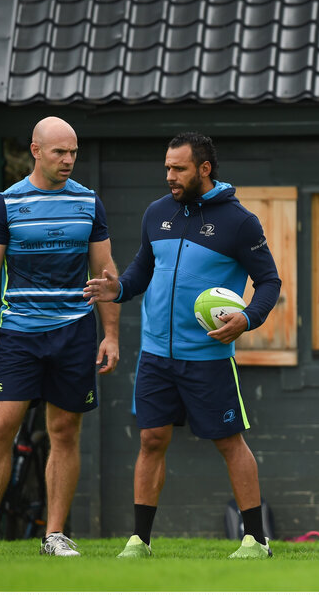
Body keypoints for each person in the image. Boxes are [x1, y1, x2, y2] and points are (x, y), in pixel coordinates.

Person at [83, 132, 280, 559]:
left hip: (208, 358)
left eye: (179, 168)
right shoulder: (157, 213)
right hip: (156, 355)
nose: (170, 176)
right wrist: (117, 289)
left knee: (230, 441)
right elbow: (141, 270)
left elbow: (269, 282)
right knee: (151, 439)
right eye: (167, 167)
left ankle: (256, 540)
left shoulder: (239, 222)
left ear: (204, 169)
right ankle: (141, 541)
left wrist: (247, 318)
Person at [0, 117, 120, 557]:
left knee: (63, 430)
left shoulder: (89, 202)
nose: (68, 160)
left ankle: (54, 535)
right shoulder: (6, 203)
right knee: (0, 425)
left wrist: (111, 334)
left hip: (74, 333)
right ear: (35, 151)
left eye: (74, 152)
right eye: (60, 152)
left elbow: (105, 274)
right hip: (19, 335)